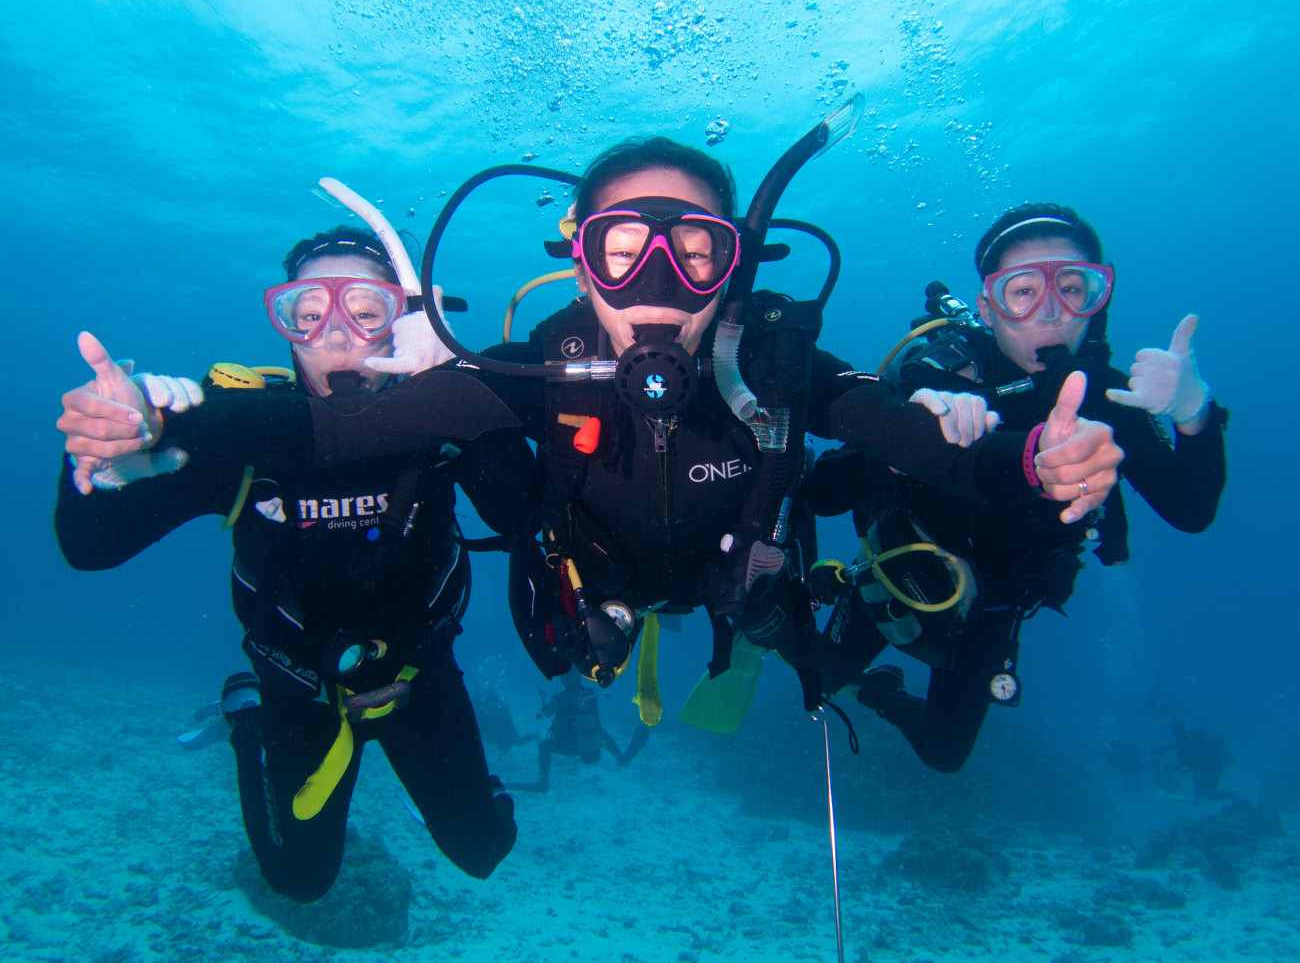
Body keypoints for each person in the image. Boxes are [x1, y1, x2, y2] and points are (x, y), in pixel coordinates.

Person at [55, 143, 1125, 735]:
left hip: (739, 584)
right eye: (621, 246)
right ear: (581, 264)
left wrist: (1035, 461)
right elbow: (341, 426)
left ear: (734, 266)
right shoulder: (535, 366)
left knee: (794, 642)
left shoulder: (777, 360)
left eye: (693, 250)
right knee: (563, 649)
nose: (656, 280)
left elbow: (922, 448)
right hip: (588, 593)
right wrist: (168, 418)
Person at [55, 226, 532, 902]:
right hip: (297, 682)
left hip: (416, 670)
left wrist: (460, 385)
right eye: (306, 314)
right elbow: (89, 547)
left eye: (366, 311)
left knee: (483, 850)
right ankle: (244, 718)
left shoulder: (438, 420)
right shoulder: (240, 428)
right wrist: (107, 457)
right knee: (300, 880)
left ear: (405, 320)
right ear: (285, 329)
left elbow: (522, 515)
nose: (335, 335)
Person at [811, 203, 1227, 772]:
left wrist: (1193, 413)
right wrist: (908, 442)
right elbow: (823, 492)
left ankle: (881, 691)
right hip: (898, 571)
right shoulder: (936, 377)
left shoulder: (1114, 399)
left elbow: (1192, 510)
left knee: (945, 752)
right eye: (1024, 291)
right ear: (988, 306)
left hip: (996, 605)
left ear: (1098, 299)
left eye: (1073, 289)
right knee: (817, 678)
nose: (1051, 312)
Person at [507, 670, 650, 793]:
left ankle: (543, 782)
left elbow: (547, 713)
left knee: (544, 746)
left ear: (563, 681)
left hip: (568, 747)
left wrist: (542, 696)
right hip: (591, 744)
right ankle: (621, 757)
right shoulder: (590, 694)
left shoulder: (559, 698)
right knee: (601, 733)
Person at [1153, 722, 1237, 803]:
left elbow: (1182, 763)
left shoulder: (1190, 745)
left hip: (1212, 769)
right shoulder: (1191, 744)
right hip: (1209, 769)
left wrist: (1166, 767)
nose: (1178, 739)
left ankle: (1233, 795)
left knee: (1207, 793)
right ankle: (1197, 798)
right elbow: (1186, 761)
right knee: (1200, 782)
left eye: (1178, 735)